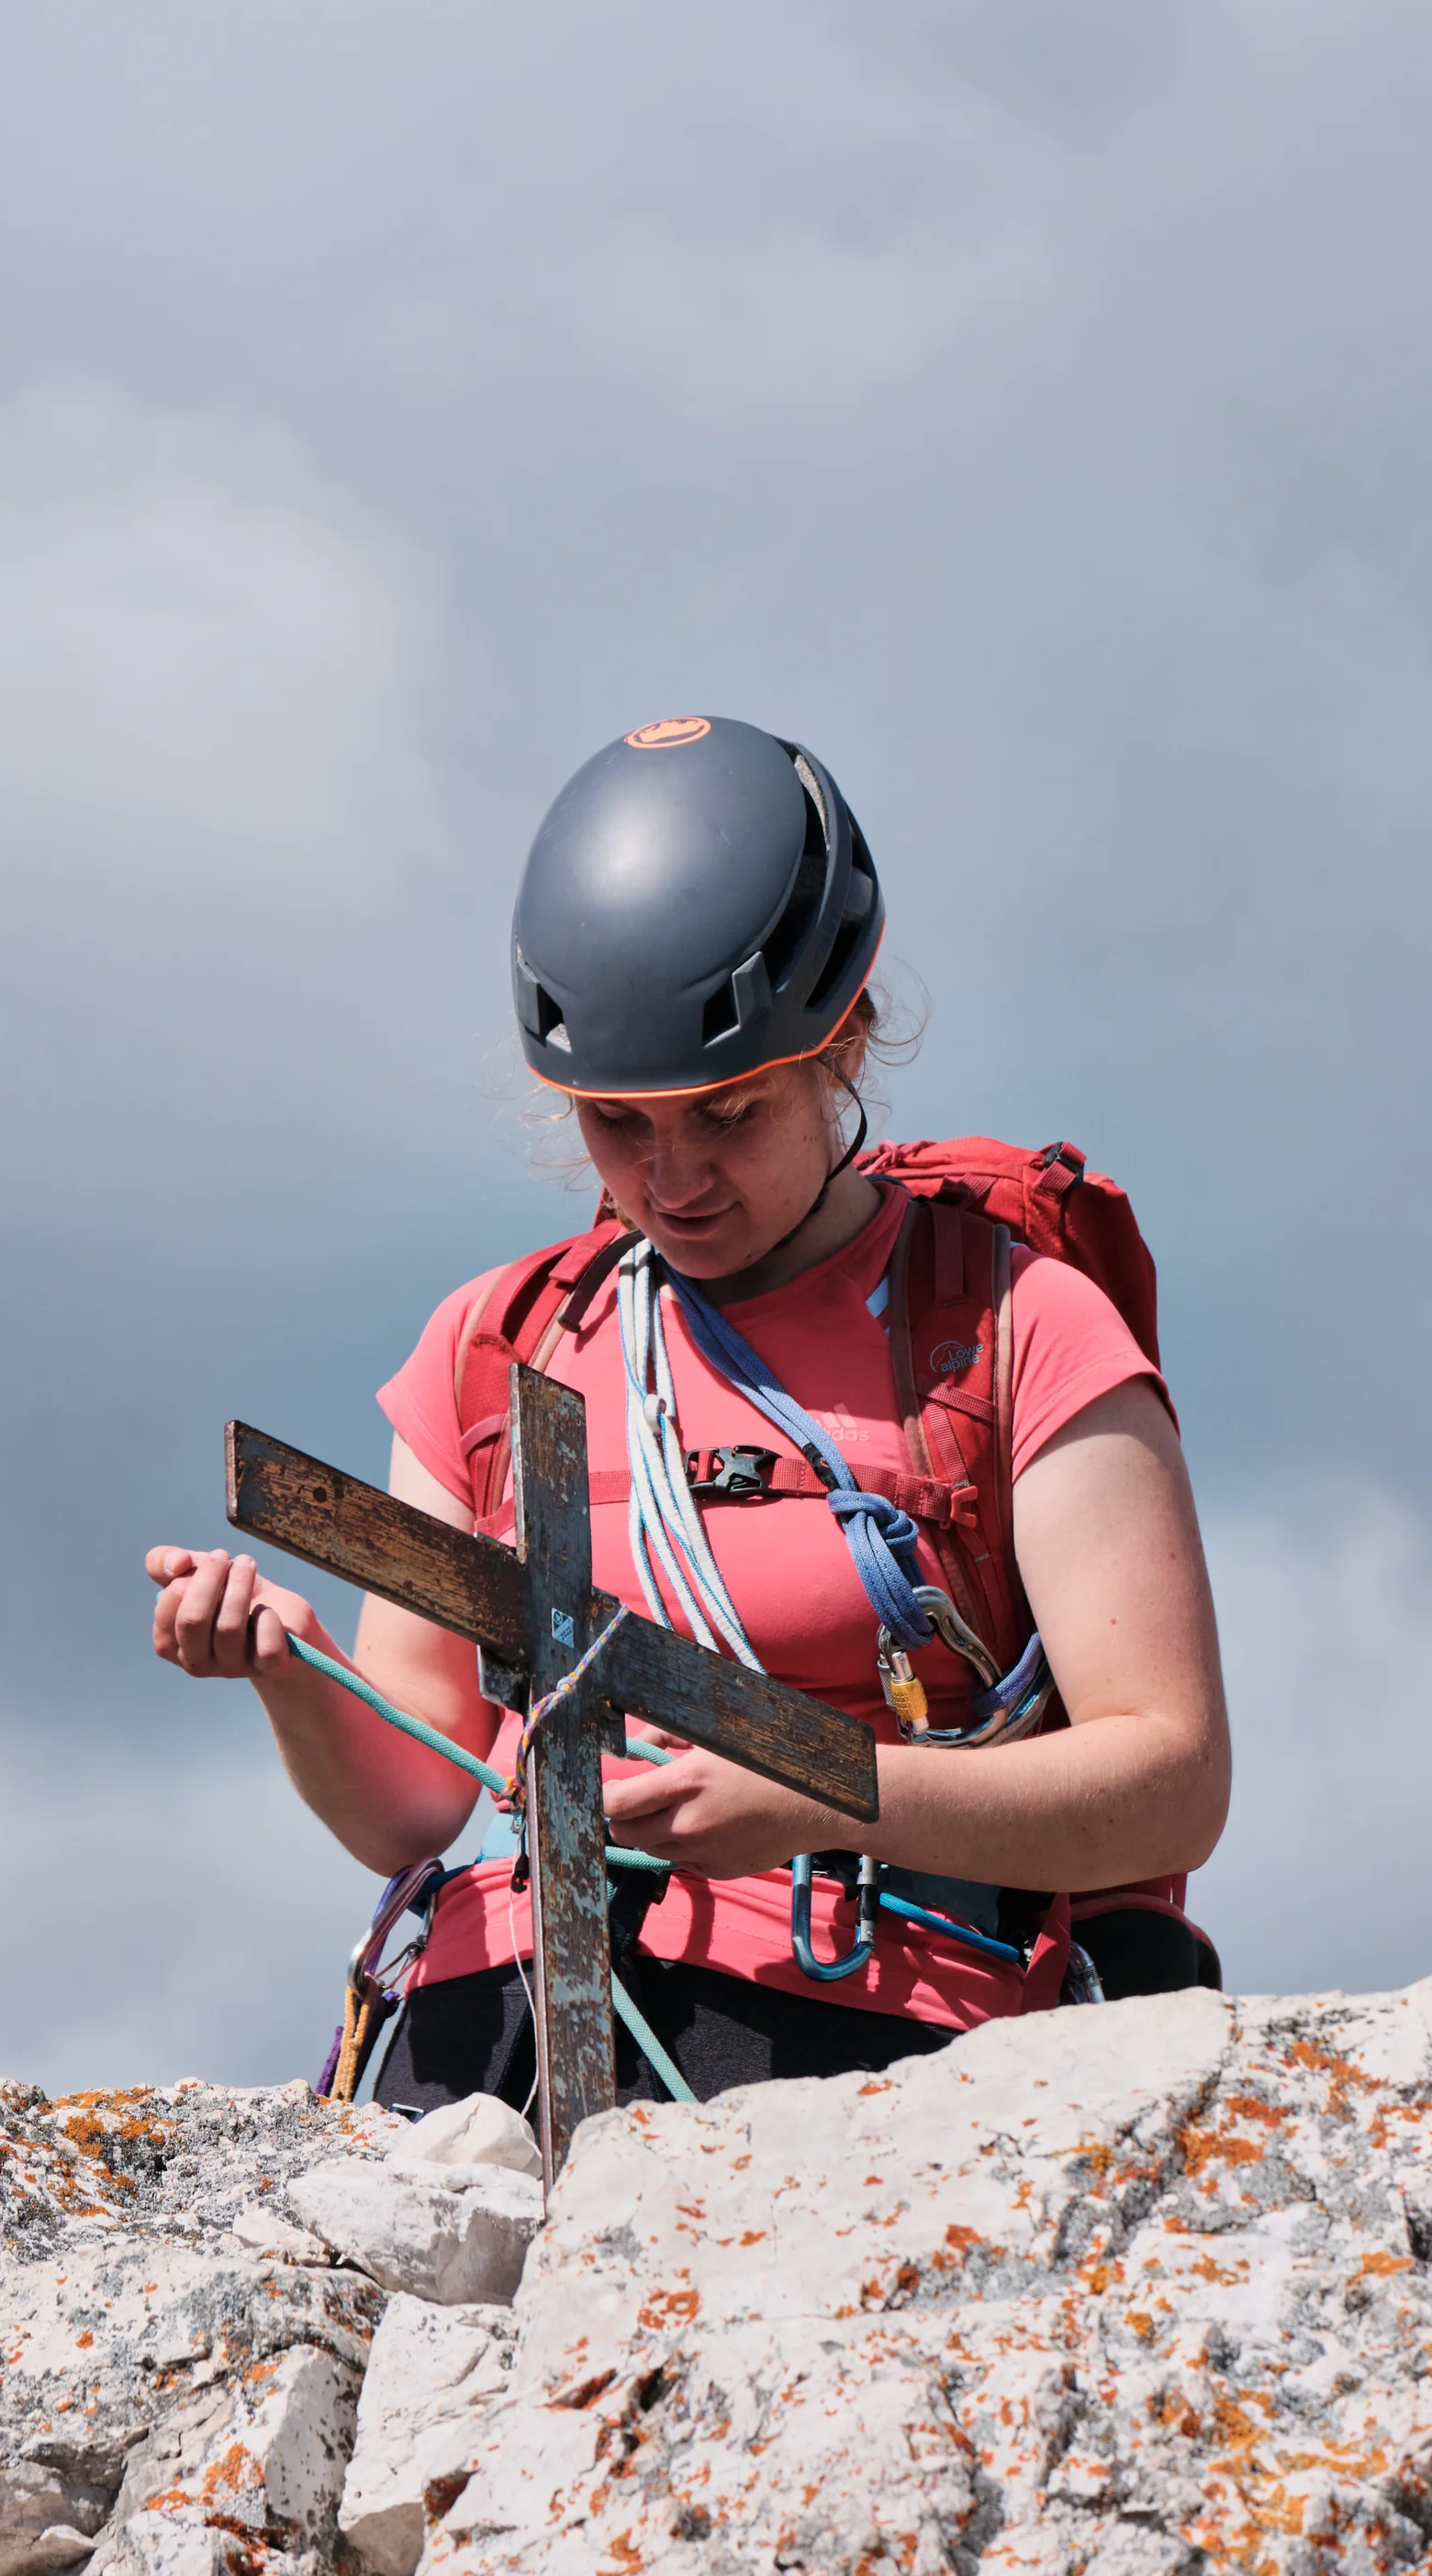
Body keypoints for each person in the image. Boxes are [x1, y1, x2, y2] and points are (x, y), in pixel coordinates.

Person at [148, 715, 1230, 2111]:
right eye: (621, 1124)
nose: (674, 1179)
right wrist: (292, 1676)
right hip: (486, 2049)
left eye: (730, 1113)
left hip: (869, 2042)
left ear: (842, 1043)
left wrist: (816, 1795)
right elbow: (417, 1805)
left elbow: (1169, 1779)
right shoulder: (495, 1350)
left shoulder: (1014, 1330)